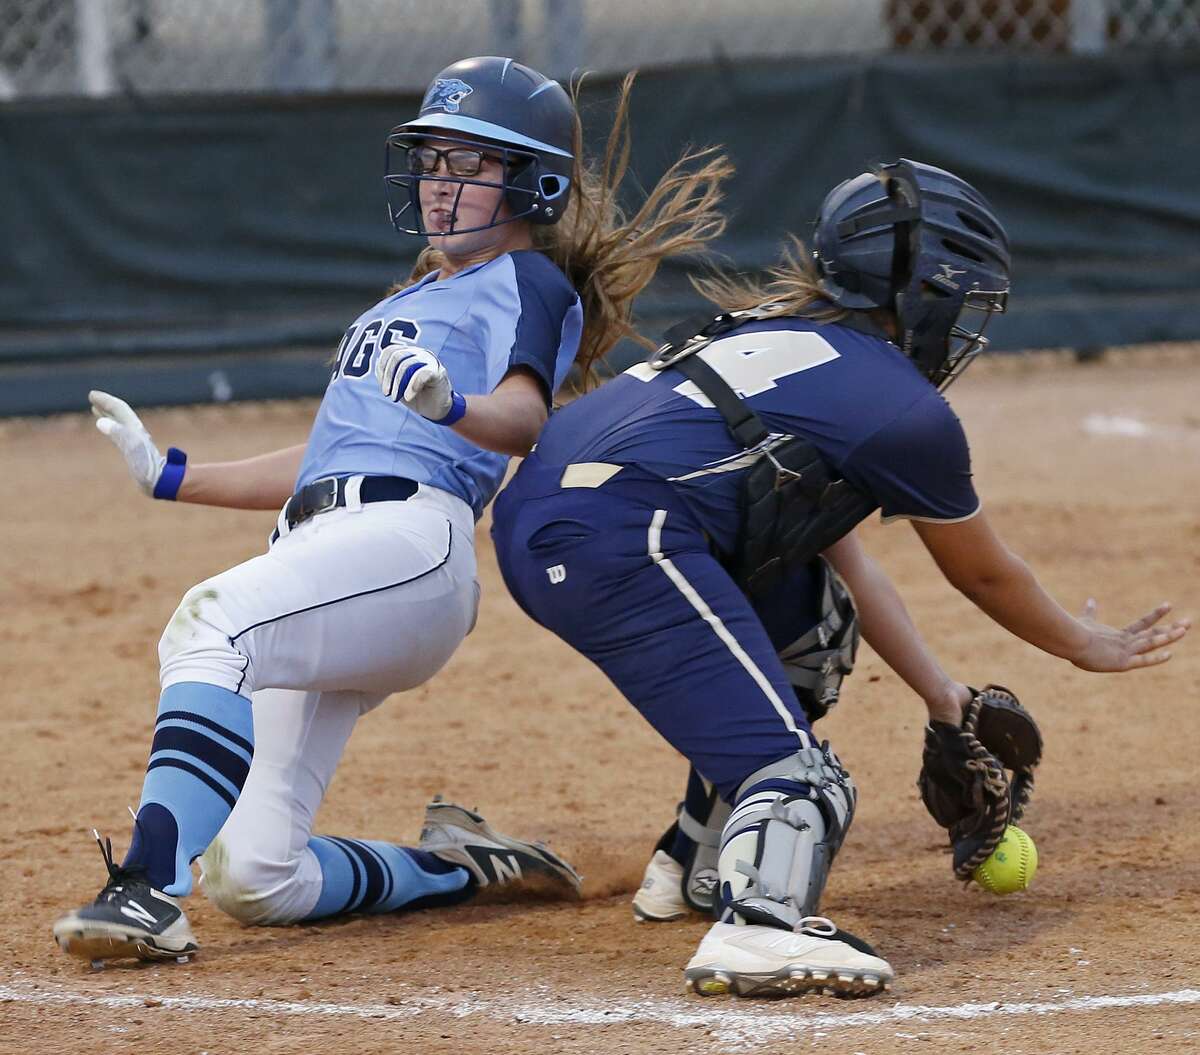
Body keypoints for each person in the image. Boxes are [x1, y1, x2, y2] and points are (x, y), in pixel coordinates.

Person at [53, 55, 733, 967]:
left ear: (532, 182)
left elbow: (524, 419)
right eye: (433, 162)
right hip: (331, 545)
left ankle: (142, 886)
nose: (439, 186)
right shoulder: (411, 297)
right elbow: (324, 459)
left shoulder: (531, 284)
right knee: (255, 875)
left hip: (410, 546)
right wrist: (172, 474)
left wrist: (449, 404)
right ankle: (461, 867)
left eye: (467, 164)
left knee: (210, 623)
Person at [490, 159, 1190, 998]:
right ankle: (760, 927)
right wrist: (1088, 644)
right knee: (802, 780)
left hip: (550, 516)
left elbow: (844, 560)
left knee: (811, 625)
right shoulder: (900, 406)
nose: (965, 328)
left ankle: (694, 863)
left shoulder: (772, 333)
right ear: (925, 294)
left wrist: (944, 695)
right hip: (619, 534)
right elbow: (986, 574)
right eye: (962, 304)